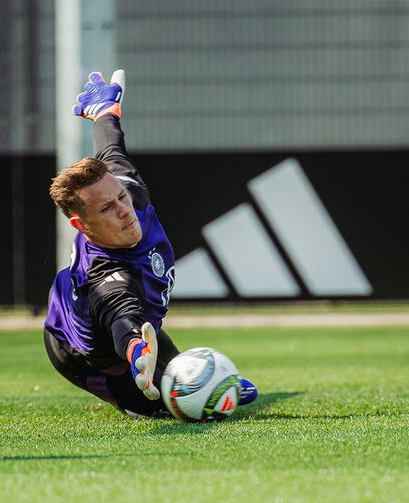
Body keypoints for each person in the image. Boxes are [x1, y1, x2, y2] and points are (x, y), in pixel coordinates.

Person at [44, 70, 257, 418]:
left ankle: (193, 377)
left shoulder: (128, 191)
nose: (124, 210)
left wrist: (103, 112)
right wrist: (135, 352)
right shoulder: (109, 279)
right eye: (107, 209)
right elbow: (122, 319)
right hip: (90, 356)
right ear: (81, 225)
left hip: (139, 328)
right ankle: (144, 394)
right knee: (181, 408)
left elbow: (110, 147)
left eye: (120, 198)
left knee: (188, 374)